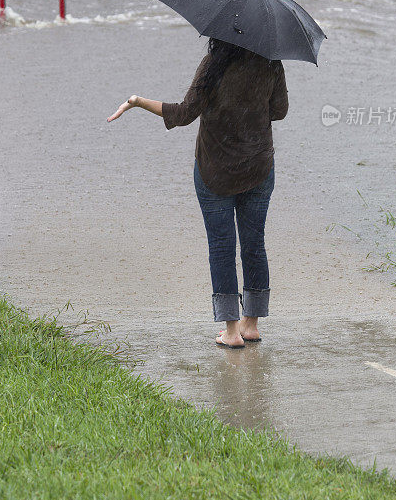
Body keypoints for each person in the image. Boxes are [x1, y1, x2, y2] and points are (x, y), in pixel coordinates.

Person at [107, 38, 289, 349]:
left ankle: (231, 332)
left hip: (214, 170)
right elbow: (280, 111)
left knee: (221, 247)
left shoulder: (214, 64)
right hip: (258, 168)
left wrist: (137, 101)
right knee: (254, 243)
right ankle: (251, 325)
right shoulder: (271, 63)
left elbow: (183, 114)